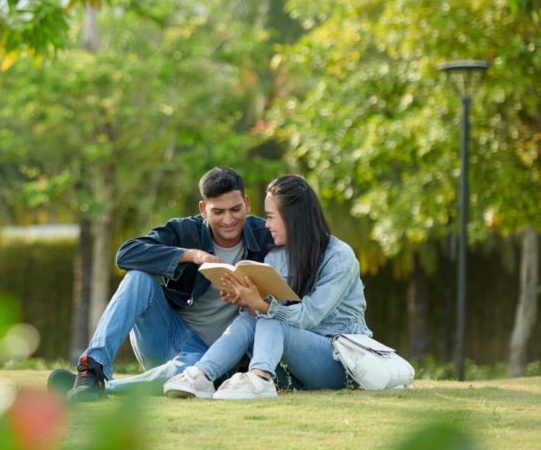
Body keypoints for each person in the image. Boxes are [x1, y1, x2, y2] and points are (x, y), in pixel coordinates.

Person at [50, 166, 275, 401]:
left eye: (235, 209)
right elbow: (126, 254)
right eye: (218, 211)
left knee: (189, 371)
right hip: (171, 339)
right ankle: (91, 370)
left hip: (219, 360)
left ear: (247, 204)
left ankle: (101, 388)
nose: (228, 220)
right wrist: (192, 255)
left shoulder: (265, 234)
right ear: (203, 210)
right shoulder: (184, 231)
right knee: (139, 277)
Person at [162, 174, 371, 400]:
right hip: (292, 367)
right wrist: (248, 302)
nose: (267, 224)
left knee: (271, 319)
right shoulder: (276, 257)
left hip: (340, 362)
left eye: (271, 217)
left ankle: (260, 379)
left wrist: (261, 305)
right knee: (251, 318)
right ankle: (202, 376)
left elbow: (309, 316)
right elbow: (261, 318)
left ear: (293, 218)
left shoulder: (338, 256)